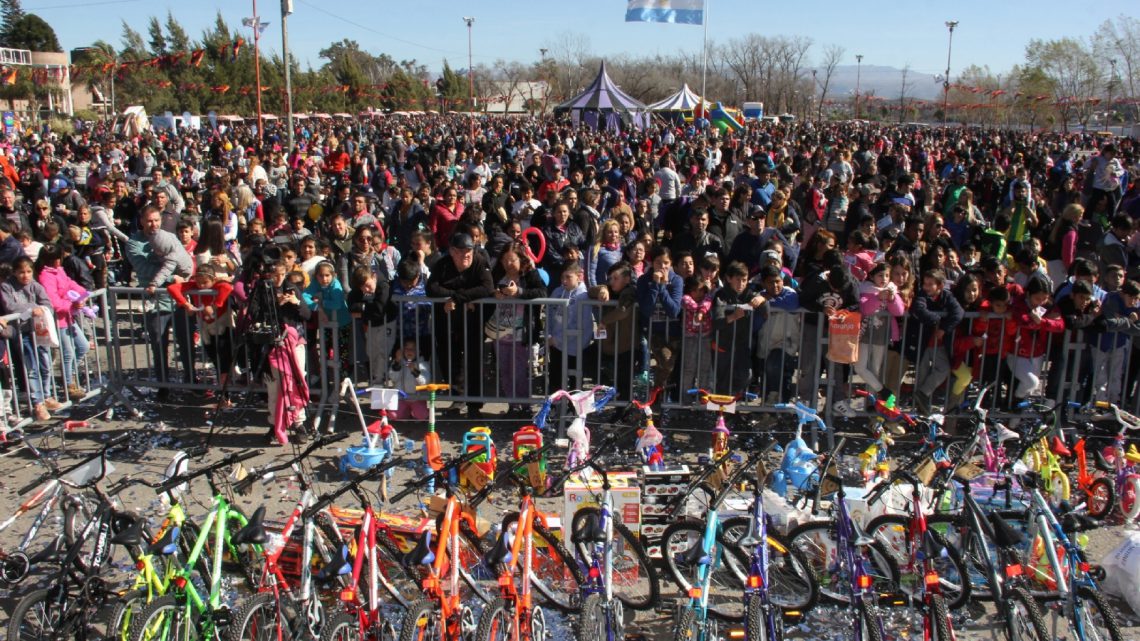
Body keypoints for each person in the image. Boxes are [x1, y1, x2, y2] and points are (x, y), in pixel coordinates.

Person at [125, 205, 195, 397]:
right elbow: (143, 268)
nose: (153, 224)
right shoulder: (134, 243)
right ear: (142, 221)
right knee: (159, 342)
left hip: (178, 298)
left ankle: (191, 380)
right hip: (156, 299)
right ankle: (163, 384)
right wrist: (172, 277)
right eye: (149, 221)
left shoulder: (169, 236)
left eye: (156, 220)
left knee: (185, 340)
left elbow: (181, 257)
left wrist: (179, 274)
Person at [426, 232, 494, 419]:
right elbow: (431, 288)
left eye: (469, 251)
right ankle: (457, 398)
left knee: (474, 362)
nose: (465, 255)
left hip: (472, 322)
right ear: (452, 251)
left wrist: (458, 298)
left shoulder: (479, 262)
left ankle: (474, 404)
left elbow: (487, 287)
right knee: (449, 360)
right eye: (461, 252)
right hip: (447, 322)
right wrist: (453, 297)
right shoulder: (442, 264)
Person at [488, 241, 545, 412]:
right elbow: (487, 288)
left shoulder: (530, 275)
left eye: (512, 260)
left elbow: (542, 292)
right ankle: (513, 405)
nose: (508, 264)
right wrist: (494, 293)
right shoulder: (498, 274)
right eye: (505, 260)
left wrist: (519, 292)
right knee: (505, 371)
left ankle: (526, 405)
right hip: (500, 332)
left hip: (521, 334)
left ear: (521, 259)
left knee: (519, 372)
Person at [167, 264, 235, 407]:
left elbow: (228, 287)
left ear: (213, 279)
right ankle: (224, 392)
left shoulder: (218, 285)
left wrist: (215, 305)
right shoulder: (194, 286)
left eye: (205, 282)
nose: (201, 285)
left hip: (222, 327)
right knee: (215, 360)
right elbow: (172, 288)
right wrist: (186, 304)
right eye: (199, 282)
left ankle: (226, 393)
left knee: (224, 361)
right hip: (206, 329)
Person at [0, 256, 58, 421]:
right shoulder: (6, 286)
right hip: (20, 332)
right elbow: (10, 306)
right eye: (21, 272)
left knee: (45, 365)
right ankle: (37, 403)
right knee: (31, 367)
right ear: (15, 272)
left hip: (39, 331)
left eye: (28, 271)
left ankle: (46, 396)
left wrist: (41, 309)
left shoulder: (36, 286)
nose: (25, 275)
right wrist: (33, 309)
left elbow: (48, 305)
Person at [36, 244, 90, 399]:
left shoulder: (59, 270)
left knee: (83, 346)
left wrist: (82, 292)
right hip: (58, 320)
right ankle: (69, 384)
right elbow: (53, 302)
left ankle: (69, 375)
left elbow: (69, 283)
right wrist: (71, 305)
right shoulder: (45, 276)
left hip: (68, 317)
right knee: (68, 352)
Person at [908, 269, 964, 415]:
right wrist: (938, 320)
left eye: (930, 284)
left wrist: (944, 328)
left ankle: (923, 394)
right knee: (921, 374)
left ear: (940, 286)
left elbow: (959, 313)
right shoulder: (921, 295)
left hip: (939, 343)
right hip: (923, 342)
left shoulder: (947, 296)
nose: (926, 287)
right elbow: (919, 309)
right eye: (925, 283)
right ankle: (917, 413)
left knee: (943, 369)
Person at [852, 263, 905, 404]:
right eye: (880, 275)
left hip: (881, 336)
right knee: (860, 367)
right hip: (864, 334)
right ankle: (883, 390)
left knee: (875, 369)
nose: (884, 279)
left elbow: (899, 311)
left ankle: (872, 403)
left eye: (887, 275)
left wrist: (892, 298)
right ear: (872, 276)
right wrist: (878, 297)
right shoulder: (865, 289)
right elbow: (865, 309)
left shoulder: (892, 290)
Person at [711, 262, 766, 395]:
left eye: (744, 280)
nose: (741, 284)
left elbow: (766, 312)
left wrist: (762, 299)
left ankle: (732, 406)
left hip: (741, 345)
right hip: (722, 344)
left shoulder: (749, 293)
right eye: (738, 280)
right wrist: (733, 316)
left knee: (745, 375)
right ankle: (720, 412)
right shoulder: (721, 295)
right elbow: (717, 322)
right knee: (722, 381)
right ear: (729, 279)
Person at [1009, 276, 1065, 402]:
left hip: (1037, 352)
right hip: (1016, 352)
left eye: (1044, 298)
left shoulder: (1049, 305)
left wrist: (1042, 321)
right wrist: (1044, 321)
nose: (1040, 302)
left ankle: (1016, 419)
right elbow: (1023, 320)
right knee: (1031, 383)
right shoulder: (1019, 303)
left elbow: (1060, 325)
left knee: (1029, 389)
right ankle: (1014, 403)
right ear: (1028, 294)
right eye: (1037, 298)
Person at [636, 246, 684, 396]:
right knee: (666, 360)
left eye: (666, 263)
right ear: (652, 263)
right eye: (658, 263)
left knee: (670, 367)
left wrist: (663, 287)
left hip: (673, 331)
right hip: (653, 331)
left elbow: (674, 310)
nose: (662, 267)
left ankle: (658, 396)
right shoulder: (644, 280)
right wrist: (656, 285)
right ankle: (656, 394)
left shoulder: (677, 280)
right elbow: (646, 309)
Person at [346, 266, 398, 386]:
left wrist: (363, 309)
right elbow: (351, 304)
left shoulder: (383, 285)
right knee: (371, 352)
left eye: (368, 285)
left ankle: (379, 381)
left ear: (374, 277)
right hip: (371, 325)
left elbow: (379, 309)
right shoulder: (358, 288)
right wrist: (365, 308)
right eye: (362, 287)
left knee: (383, 352)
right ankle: (375, 380)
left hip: (387, 322)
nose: (366, 289)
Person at [1092, 279, 1140, 403]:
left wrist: (1121, 320)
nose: (1134, 302)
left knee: (1116, 376)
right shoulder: (1112, 298)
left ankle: (1113, 405)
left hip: (1119, 343)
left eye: (1137, 299)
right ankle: (1101, 405)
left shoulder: (1136, 304)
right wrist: (1129, 320)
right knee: (1100, 377)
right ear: (1124, 294)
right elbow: (1111, 323)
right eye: (1132, 298)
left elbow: (1137, 330)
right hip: (1102, 343)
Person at [547, 262, 590, 391]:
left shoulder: (584, 296)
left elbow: (583, 324)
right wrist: (549, 334)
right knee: (555, 377)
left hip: (575, 346)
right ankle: (555, 406)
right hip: (555, 344)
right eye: (562, 278)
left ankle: (574, 408)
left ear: (579, 276)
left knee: (575, 381)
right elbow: (549, 314)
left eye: (568, 277)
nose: (564, 281)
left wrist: (559, 339)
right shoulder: (557, 292)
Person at [679, 276, 714, 395]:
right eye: (695, 290)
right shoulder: (686, 298)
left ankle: (704, 396)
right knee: (689, 368)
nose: (698, 293)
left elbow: (708, 300)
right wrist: (699, 310)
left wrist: (702, 310)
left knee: (705, 367)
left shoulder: (707, 299)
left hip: (705, 336)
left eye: (701, 290)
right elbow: (687, 302)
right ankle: (685, 395)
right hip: (690, 337)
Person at [387, 337, 430, 420]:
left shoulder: (423, 364)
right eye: (407, 348)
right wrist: (397, 362)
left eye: (413, 349)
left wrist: (414, 371)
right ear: (402, 351)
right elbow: (393, 378)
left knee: (422, 416)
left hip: (417, 398)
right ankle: (406, 413)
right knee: (393, 416)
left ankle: (416, 412)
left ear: (419, 351)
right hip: (401, 398)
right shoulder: (398, 362)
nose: (410, 351)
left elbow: (425, 382)